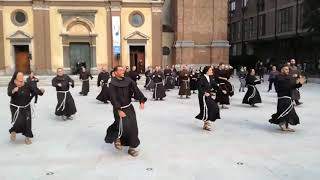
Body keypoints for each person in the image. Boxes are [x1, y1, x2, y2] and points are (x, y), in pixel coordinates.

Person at [104, 66, 147, 157]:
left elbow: (136, 89)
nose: (123, 71)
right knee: (121, 125)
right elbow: (113, 98)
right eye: (120, 70)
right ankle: (117, 138)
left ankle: (132, 148)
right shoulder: (112, 83)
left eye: (123, 70)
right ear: (115, 73)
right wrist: (119, 110)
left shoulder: (128, 80)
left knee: (133, 127)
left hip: (129, 107)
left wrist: (141, 100)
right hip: (118, 108)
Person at [8, 71, 44, 144]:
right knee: (19, 121)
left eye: (22, 75)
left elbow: (34, 90)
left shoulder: (27, 84)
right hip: (16, 107)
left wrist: (41, 92)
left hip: (26, 107)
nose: (21, 77)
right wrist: (13, 90)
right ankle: (13, 131)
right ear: (15, 77)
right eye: (19, 76)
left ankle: (27, 138)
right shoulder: (12, 84)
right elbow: (9, 93)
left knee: (27, 122)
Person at [269, 65, 305, 132]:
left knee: (290, 112)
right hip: (282, 98)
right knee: (286, 112)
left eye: (288, 69)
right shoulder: (278, 77)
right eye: (286, 69)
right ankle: (283, 125)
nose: (287, 71)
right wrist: (289, 86)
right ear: (282, 70)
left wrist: (300, 83)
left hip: (288, 97)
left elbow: (293, 86)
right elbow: (278, 89)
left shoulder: (289, 77)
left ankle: (285, 125)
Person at [195, 66, 220, 131]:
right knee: (206, 109)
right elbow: (199, 87)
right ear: (207, 71)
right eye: (210, 70)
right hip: (203, 96)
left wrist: (221, 89)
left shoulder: (210, 78)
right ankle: (207, 124)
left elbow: (215, 85)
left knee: (214, 107)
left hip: (208, 96)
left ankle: (206, 123)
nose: (212, 71)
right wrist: (204, 93)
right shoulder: (201, 78)